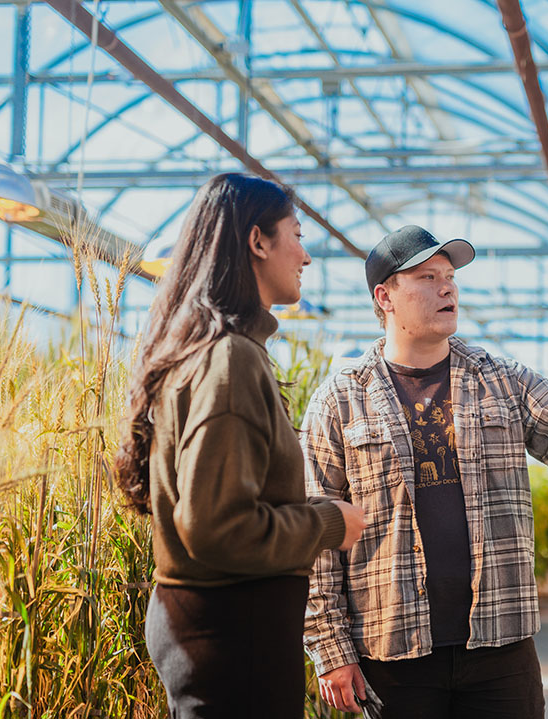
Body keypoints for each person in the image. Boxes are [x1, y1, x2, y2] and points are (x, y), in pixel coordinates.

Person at [300, 225, 548, 719]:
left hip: (499, 644)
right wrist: (331, 652)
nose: (447, 288)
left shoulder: (500, 378)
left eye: (450, 277)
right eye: (427, 276)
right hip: (392, 651)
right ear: (385, 297)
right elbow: (316, 532)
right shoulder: (339, 399)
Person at [113, 173, 366, 718]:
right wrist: (328, 522)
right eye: (296, 234)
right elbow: (217, 527)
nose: (306, 256)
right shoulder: (230, 359)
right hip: (232, 639)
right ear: (258, 241)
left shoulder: (205, 351)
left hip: (215, 632)